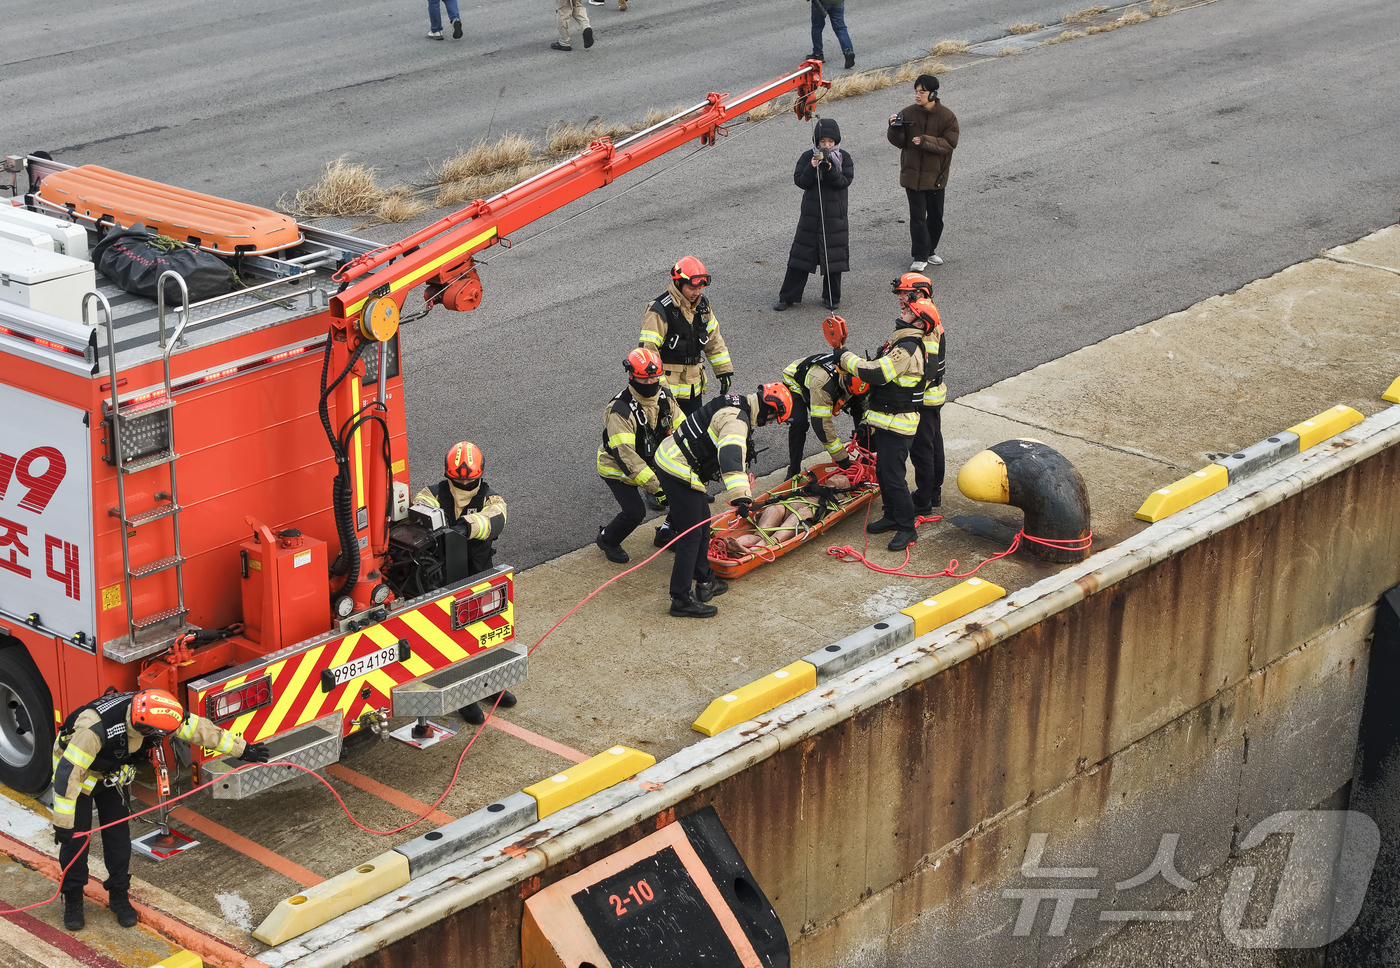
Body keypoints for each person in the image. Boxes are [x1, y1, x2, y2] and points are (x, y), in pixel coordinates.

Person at [52, 688, 269, 931]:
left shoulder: (159, 714)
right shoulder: (93, 730)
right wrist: (62, 823)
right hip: (78, 776)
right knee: (75, 841)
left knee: (118, 838)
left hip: (112, 774)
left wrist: (242, 749)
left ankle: (119, 895)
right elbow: (67, 776)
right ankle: (72, 897)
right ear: (144, 728)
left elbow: (199, 729)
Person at [653, 384, 793, 618]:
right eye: (773, 419)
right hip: (675, 468)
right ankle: (680, 598)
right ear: (768, 408)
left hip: (678, 463)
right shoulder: (737, 421)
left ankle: (706, 581)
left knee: (702, 524)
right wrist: (741, 498)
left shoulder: (739, 405)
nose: (770, 423)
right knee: (691, 534)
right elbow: (730, 457)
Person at [834, 298, 939, 551]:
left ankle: (906, 528)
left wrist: (845, 357)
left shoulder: (908, 348)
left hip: (898, 423)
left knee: (893, 478)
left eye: (908, 311)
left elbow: (877, 373)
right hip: (887, 420)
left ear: (920, 321)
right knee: (883, 473)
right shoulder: (901, 342)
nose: (901, 311)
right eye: (904, 308)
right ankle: (891, 515)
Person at [432, 441, 513, 724]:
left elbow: (495, 519)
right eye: (458, 479)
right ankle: (465, 697)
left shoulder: (492, 499)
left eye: (470, 479)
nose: (464, 483)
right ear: (448, 474)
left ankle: (492, 685)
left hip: (479, 577)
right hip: (442, 581)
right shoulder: (430, 495)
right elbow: (418, 513)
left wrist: (463, 527)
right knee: (452, 642)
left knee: (488, 634)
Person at [596, 347, 679, 564]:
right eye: (644, 380)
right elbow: (626, 457)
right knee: (635, 512)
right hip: (617, 468)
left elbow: (682, 431)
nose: (650, 384)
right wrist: (657, 487)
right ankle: (607, 539)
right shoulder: (620, 410)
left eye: (654, 378)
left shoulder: (665, 397)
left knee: (683, 491)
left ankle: (667, 532)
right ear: (631, 376)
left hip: (650, 463)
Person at [639, 257, 735, 417]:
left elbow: (714, 340)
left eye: (700, 288)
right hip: (668, 388)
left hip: (693, 387)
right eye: (691, 288)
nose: (696, 292)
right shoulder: (659, 310)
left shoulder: (703, 306)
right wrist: (659, 387)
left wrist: (724, 371)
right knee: (668, 436)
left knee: (693, 434)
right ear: (678, 283)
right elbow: (648, 353)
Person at [775, 118, 853, 313]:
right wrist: (812, 167)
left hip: (835, 218)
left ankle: (831, 297)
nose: (826, 146)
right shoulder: (806, 156)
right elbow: (800, 181)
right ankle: (787, 297)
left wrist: (829, 170)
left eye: (830, 142)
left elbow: (844, 182)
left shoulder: (844, 158)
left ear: (836, 142)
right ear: (817, 142)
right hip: (811, 216)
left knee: (833, 258)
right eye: (823, 142)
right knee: (800, 257)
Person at [887, 74, 959, 272]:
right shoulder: (907, 112)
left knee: (936, 217)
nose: (917, 95)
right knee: (917, 217)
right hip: (912, 176)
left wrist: (926, 141)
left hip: (936, 176)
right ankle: (919, 256)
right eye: (916, 91)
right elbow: (898, 142)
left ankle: (930, 250)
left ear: (933, 94)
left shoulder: (947, 116)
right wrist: (894, 128)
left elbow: (950, 144)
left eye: (922, 92)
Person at [892, 274, 946, 513]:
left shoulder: (925, 321)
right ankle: (933, 492)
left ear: (920, 294)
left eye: (905, 293)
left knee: (923, 450)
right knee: (933, 444)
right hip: (931, 395)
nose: (900, 298)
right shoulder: (925, 313)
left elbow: (928, 365)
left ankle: (924, 498)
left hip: (923, 397)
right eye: (899, 293)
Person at [782, 352, 867, 481]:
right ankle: (793, 470)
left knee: (859, 408)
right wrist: (843, 460)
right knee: (799, 423)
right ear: (845, 378)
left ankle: (865, 458)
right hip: (796, 380)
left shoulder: (864, 369)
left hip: (828, 379)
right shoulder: (823, 385)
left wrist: (864, 427)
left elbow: (870, 408)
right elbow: (821, 426)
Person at [809, 0, 855, 69]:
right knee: (840, 28)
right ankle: (848, 51)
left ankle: (818, 53)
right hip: (838, 2)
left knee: (817, 27)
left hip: (821, 3)